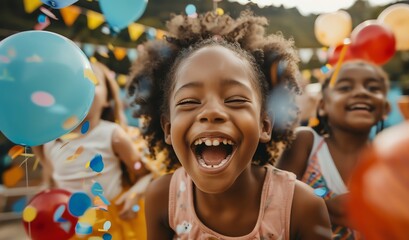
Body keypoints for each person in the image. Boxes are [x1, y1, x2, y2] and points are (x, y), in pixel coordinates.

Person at [128, 11, 331, 239]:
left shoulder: (301, 206)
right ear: (167, 128)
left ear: (264, 125)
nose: (212, 112)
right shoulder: (163, 198)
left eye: (235, 99)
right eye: (189, 101)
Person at [32, 60, 151, 240]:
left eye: (93, 82)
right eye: (74, 83)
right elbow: (51, 184)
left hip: (109, 225)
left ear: (107, 99)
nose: (82, 88)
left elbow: (144, 174)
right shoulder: (50, 142)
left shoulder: (113, 135)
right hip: (70, 226)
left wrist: (134, 195)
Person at [276, 60, 391, 239]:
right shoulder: (306, 143)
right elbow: (275, 205)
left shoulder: (389, 159)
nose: (361, 92)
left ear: (385, 108)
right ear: (322, 106)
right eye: (345, 88)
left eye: (373, 88)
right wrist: (327, 209)